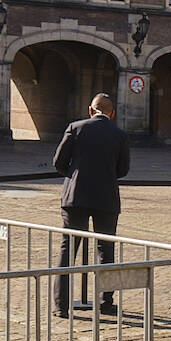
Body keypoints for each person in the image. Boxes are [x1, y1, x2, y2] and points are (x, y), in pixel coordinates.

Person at [51, 93, 131, 317]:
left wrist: (76, 175)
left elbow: (58, 162)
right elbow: (123, 170)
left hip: (75, 197)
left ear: (90, 110)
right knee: (106, 251)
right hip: (106, 198)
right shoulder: (120, 135)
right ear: (111, 113)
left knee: (68, 249)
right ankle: (105, 302)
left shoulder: (75, 128)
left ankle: (61, 305)